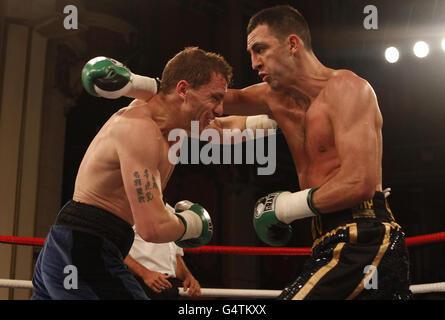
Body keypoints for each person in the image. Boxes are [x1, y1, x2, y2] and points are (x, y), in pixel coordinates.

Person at [106, 5, 412, 300]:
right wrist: (132, 83)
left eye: (260, 49)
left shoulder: (348, 89)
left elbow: (360, 181)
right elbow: (202, 102)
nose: (253, 63)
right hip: (326, 237)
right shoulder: (273, 98)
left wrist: (284, 208)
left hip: (364, 235)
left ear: (293, 44)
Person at [31, 47, 232, 300]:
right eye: (214, 98)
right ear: (183, 90)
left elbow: (227, 128)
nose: (220, 109)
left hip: (81, 246)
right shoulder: (140, 129)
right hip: (84, 248)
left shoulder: (176, 126)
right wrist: (192, 225)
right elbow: (152, 228)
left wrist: (274, 121)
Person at [125, 213, 201, 300]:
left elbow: (175, 256)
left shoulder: (173, 213)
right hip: (138, 284)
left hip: (168, 286)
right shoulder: (131, 209)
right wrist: (145, 273)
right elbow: (117, 250)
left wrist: (187, 276)